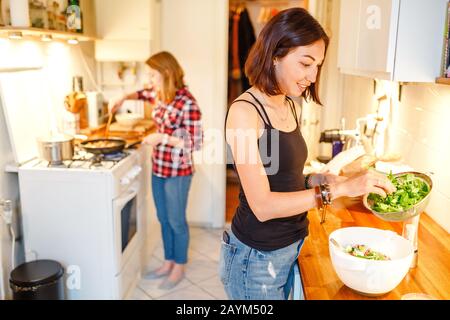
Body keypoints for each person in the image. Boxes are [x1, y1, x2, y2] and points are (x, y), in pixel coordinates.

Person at [221, 8, 395, 300]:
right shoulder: (244, 112)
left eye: (318, 65)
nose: (313, 76)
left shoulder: (290, 104)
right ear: (275, 54)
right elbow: (262, 205)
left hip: (292, 246)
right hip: (256, 259)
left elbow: (282, 176)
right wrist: (337, 189)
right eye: (305, 63)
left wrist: (316, 178)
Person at [111, 51, 203, 290]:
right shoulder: (158, 94)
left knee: (176, 221)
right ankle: (168, 261)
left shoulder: (187, 102)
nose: (148, 79)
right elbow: (141, 93)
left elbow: (196, 143)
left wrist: (163, 137)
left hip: (178, 172)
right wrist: (123, 97)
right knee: (163, 219)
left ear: (166, 73)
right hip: (159, 169)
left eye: (152, 74)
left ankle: (179, 266)